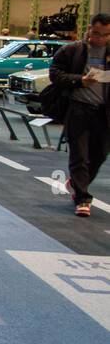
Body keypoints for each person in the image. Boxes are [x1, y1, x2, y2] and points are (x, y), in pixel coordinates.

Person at [48, 14, 110, 217]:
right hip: (78, 109)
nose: (99, 38)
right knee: (79, 155)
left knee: (100, 155)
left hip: (103, 112)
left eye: (104, 35)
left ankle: (76, 182)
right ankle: (83, 198)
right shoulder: (73, 50)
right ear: (90, 29)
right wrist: (79, 80)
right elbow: (55, 74)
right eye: (96, 33)